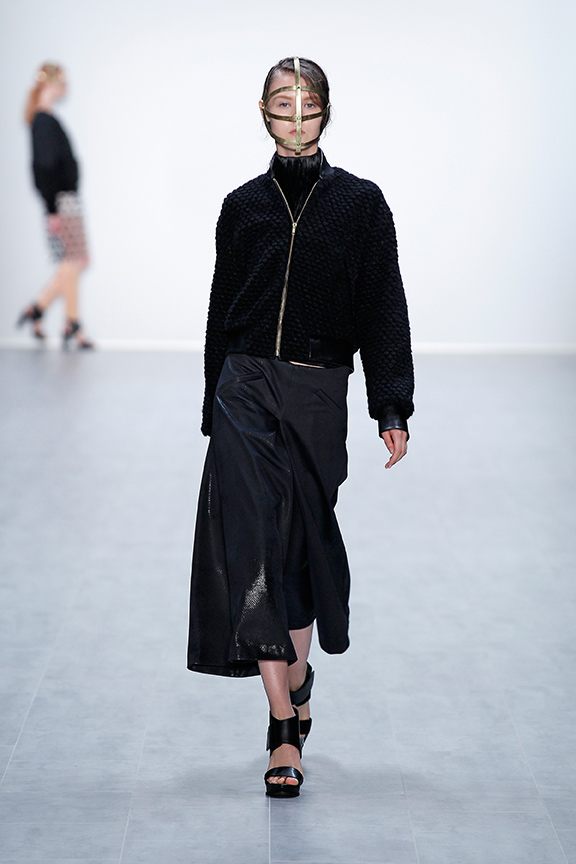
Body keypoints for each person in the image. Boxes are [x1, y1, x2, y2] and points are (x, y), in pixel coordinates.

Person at [188, 57, 414, 798]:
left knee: (298, 550)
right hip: (245, 386)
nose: (295, 113)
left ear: (325, 111)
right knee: (252, 542)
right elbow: (221, 308)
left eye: (307, 101)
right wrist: (212, 404)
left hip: (317, 389)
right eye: (282, 102)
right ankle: (282, 725)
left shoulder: (361, 204)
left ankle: (299, 674)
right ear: (263, 112)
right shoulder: (241, 206)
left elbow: (383, 304)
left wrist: (391, 403)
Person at [17, 62, 93, 349]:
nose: (65, 87)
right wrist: (52, 209)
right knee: (74, 261)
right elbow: (44, 167)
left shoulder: (45, 119)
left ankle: (41, 311)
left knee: (73, 261)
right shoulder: (43, 122)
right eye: (61, 82)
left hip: (65, 199)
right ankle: (70, 323)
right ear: (49, 84)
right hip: (62, 200)